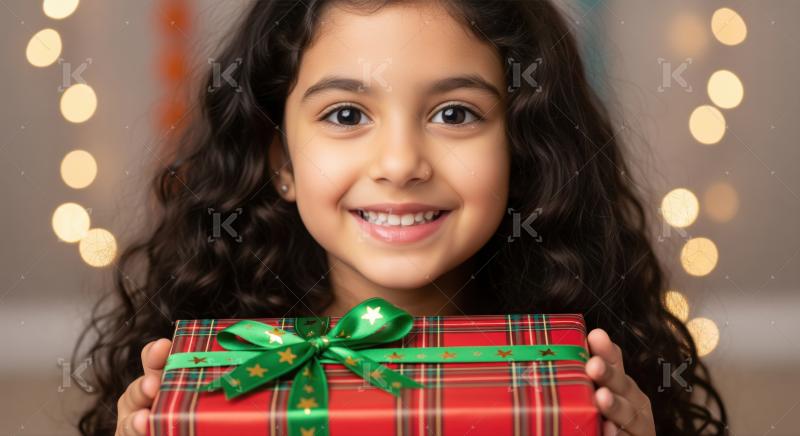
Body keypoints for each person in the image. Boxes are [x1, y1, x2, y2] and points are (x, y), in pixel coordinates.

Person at [74, 1, 729, 435]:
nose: (400, 163)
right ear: (282, 162)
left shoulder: (587, 371)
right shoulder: (219, 366)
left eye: (454, 114)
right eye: (346, 115)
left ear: (520, 149)